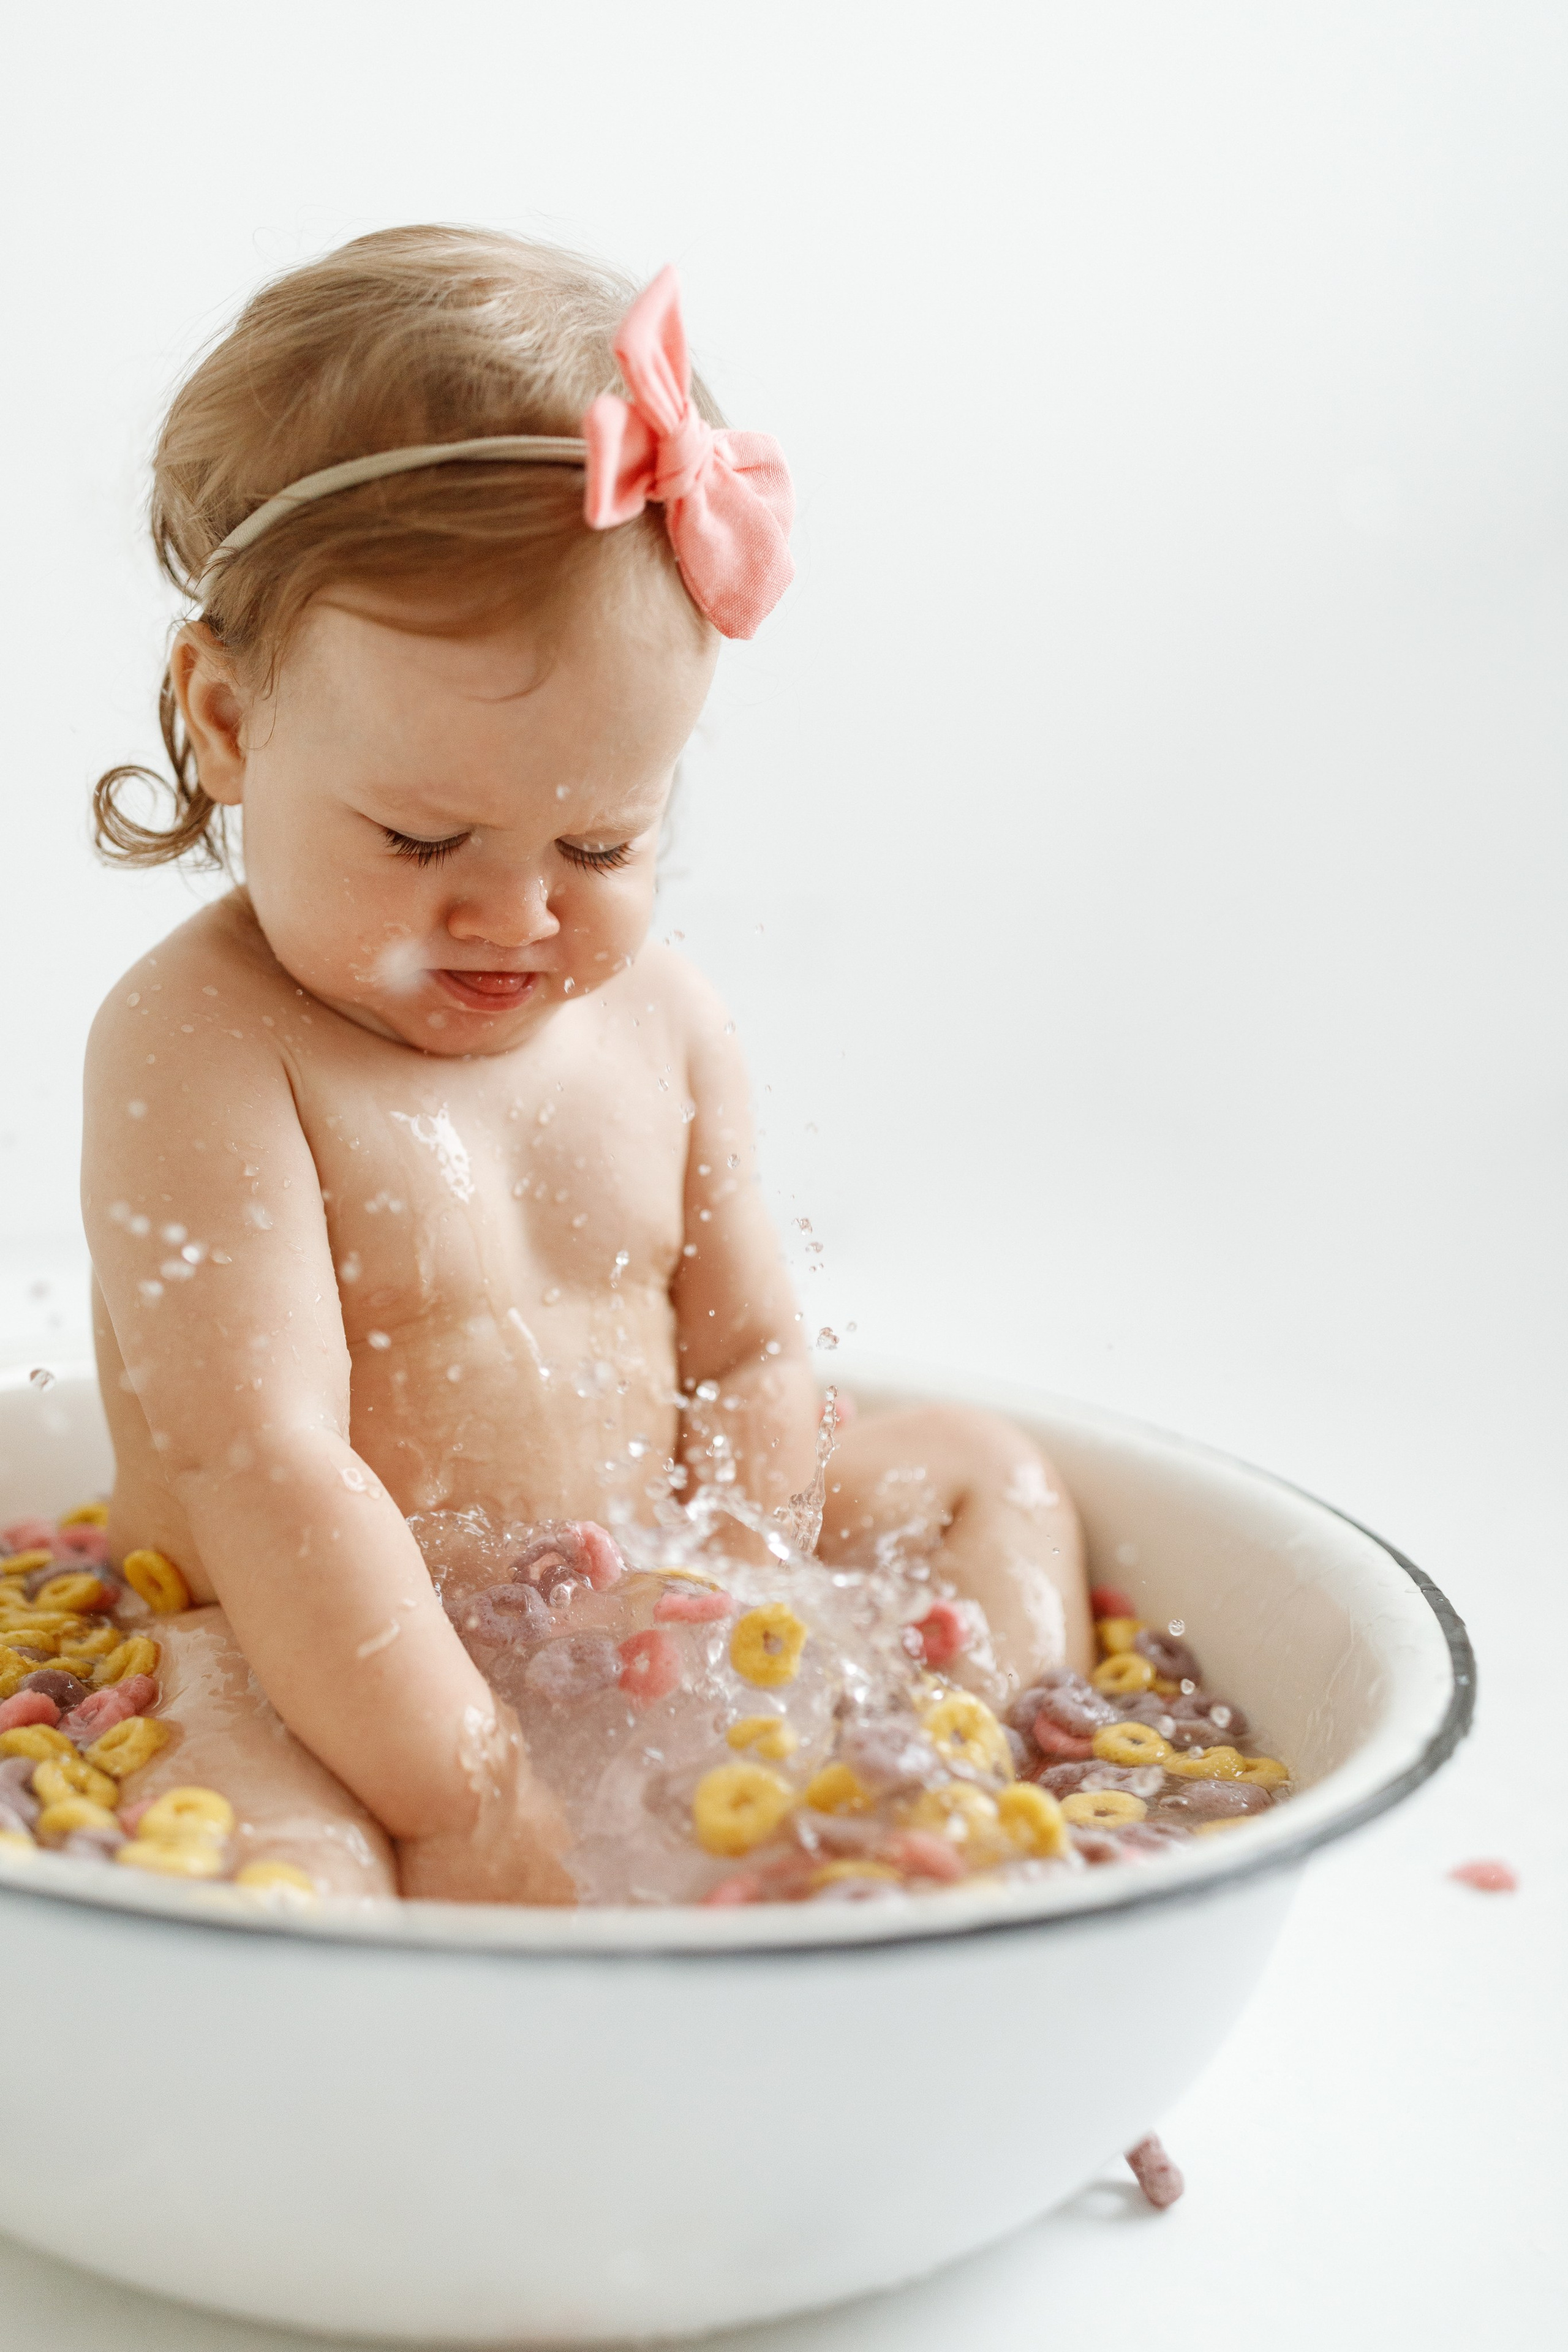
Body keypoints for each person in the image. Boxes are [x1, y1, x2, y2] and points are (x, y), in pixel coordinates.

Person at [84, 226, 1090, 1902]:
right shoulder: (207, 1040)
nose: (513, 915)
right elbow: (260, 1465)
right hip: (305, 1646)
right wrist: (461, 1784)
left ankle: (957, 1784)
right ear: (231, 723)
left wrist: (743, 1614)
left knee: (993, 1478)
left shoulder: (663, 1018)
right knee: (271, 1842)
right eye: (421, 837)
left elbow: (754, 1352)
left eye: (605, 841)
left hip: (639, 1586)